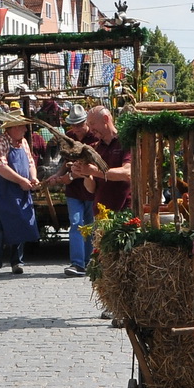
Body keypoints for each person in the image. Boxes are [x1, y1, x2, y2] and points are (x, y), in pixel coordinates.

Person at [0, 109, 39, 276]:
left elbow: (30, 163)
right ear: (13, 127)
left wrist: (33, 178)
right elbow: (0, 167)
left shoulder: (23, 143)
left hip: (20, 189)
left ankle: (17, 262)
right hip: (0, 192)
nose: (25, 130)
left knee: (20, 223)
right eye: (22, 126)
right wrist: (21, 180)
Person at [57, 104, 96, 276]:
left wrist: (70, 176)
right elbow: (66, 162)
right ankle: (78, 263)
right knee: (76, 223)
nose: (77, 129)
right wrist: (57, 176)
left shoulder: (95, 138)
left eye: (80, 125)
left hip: (90, 188)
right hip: (73, 191)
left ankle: (89, 261)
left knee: (89, 225)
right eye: (74, 125)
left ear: (86, 122)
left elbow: (92, 169)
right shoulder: (69, 137)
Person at [73, 105, 132, 211]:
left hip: (125, 212)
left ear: (105, 119)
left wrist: (95, 171)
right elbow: (91, 189)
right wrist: (85, 173)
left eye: (92, 124)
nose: (91, 130)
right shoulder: (94, 148)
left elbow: (127, 173)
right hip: (101, 213)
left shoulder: (126, 142)